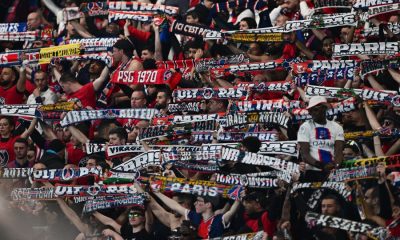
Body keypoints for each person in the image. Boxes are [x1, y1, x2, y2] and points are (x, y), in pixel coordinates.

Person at [297, 96, 344, 181]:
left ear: (324, 109)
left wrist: (336, 167)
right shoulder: (305, 127)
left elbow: (339, 151)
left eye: (315, 109)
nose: (312, 113)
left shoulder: (337, 127)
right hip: (312, 171)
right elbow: (305, 154)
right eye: (310, 110)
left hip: (333, 171)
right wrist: (322, 166)